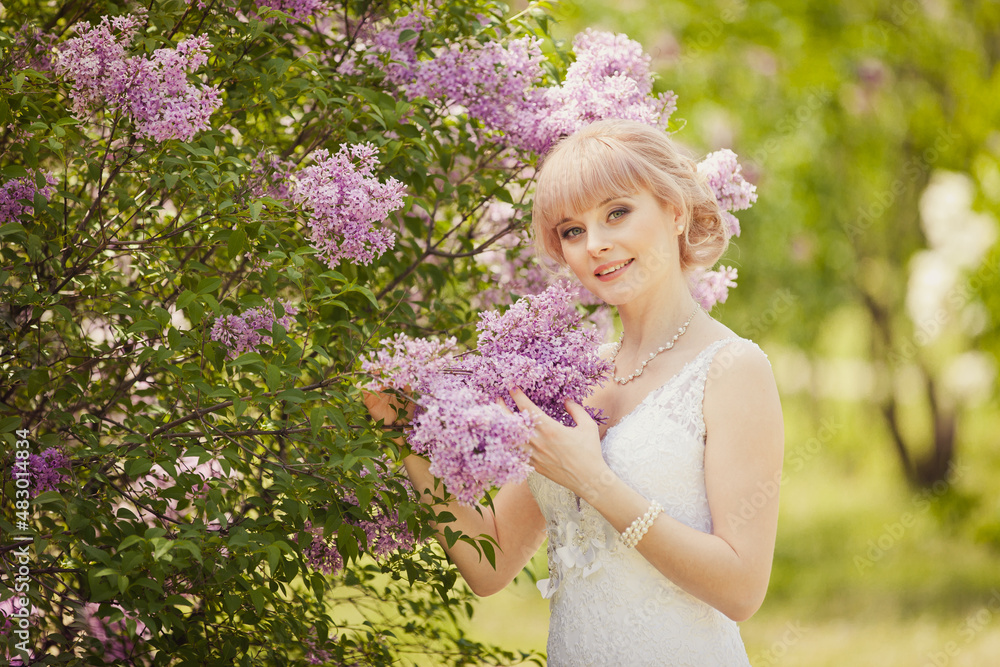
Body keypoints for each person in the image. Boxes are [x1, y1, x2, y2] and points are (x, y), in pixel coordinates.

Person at [364, 118, 783, 666]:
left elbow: (742, 590)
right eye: (572, 230)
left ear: (675, 211)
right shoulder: (573, 376)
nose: (596, 245)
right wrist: (404, 430)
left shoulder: (732, 368)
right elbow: (491, 563)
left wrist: (593, 480)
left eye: (617, 212)